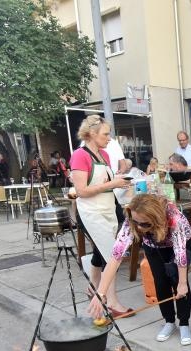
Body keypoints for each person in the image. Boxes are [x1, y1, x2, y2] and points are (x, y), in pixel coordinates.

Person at [88, 194, 191, 345]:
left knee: (178, 282)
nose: (138, 227)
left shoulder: (173, 218)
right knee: (160, 282)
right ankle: (169, 322)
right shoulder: (132, 220)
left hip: (179, 245)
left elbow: (180, 254)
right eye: (135, 222)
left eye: (144, 224)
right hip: (153, 246)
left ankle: (184, 324)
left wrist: (183, 283)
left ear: (156, 218)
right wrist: (101, 292)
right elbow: (115, 258)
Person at [69, 114, 133, 318]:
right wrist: (112, 184)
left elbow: (105, 185)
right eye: (106, 134)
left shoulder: (104, 156)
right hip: (91, 213)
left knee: (102, 251)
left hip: (107, 209)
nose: (109, 138)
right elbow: (81, 191)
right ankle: (112, 302)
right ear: (91, 134)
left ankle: (93, 287)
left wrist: (120, 181)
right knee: (112, 255)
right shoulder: (80, 155)